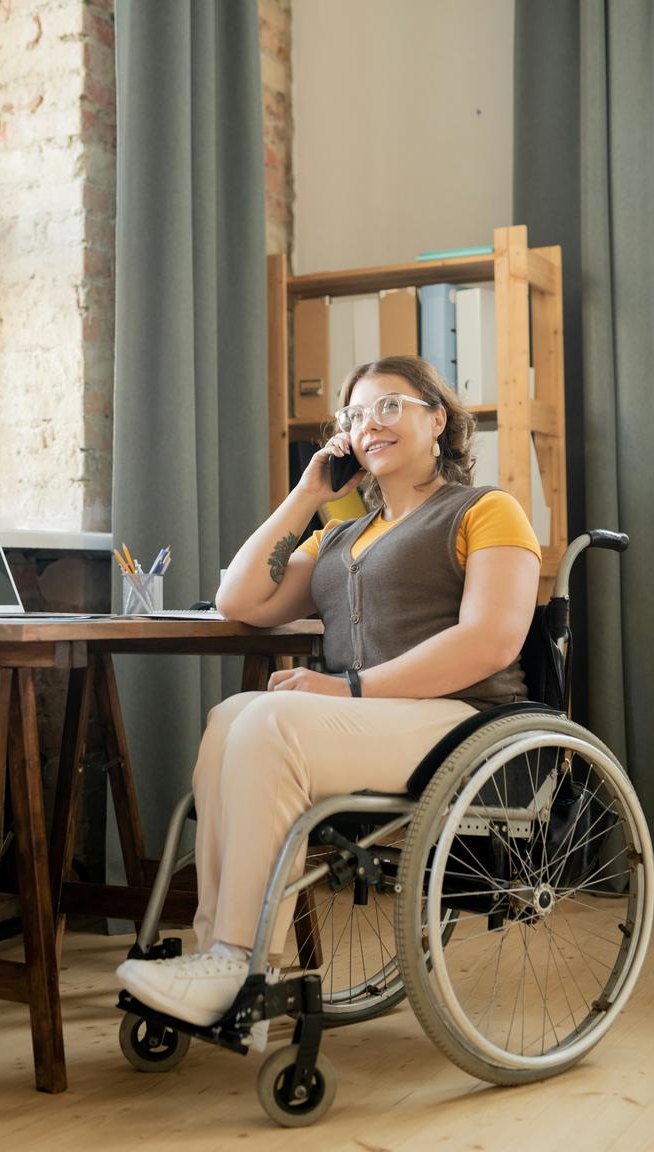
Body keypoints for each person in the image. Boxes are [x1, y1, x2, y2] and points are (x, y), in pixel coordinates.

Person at [116, 354, 541, 1027]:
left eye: (390, 406)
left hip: (465, 724)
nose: (370, 424)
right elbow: (240, 599)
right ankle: (225, 955)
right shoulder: (339, 536)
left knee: (273, 721)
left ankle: (238, 959)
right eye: (355, 415)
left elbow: (490, 641)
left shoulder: (487, 511)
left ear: (438, 418)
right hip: (374, 726)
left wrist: (347, 689)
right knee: (234, 716)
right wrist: (310, 493)